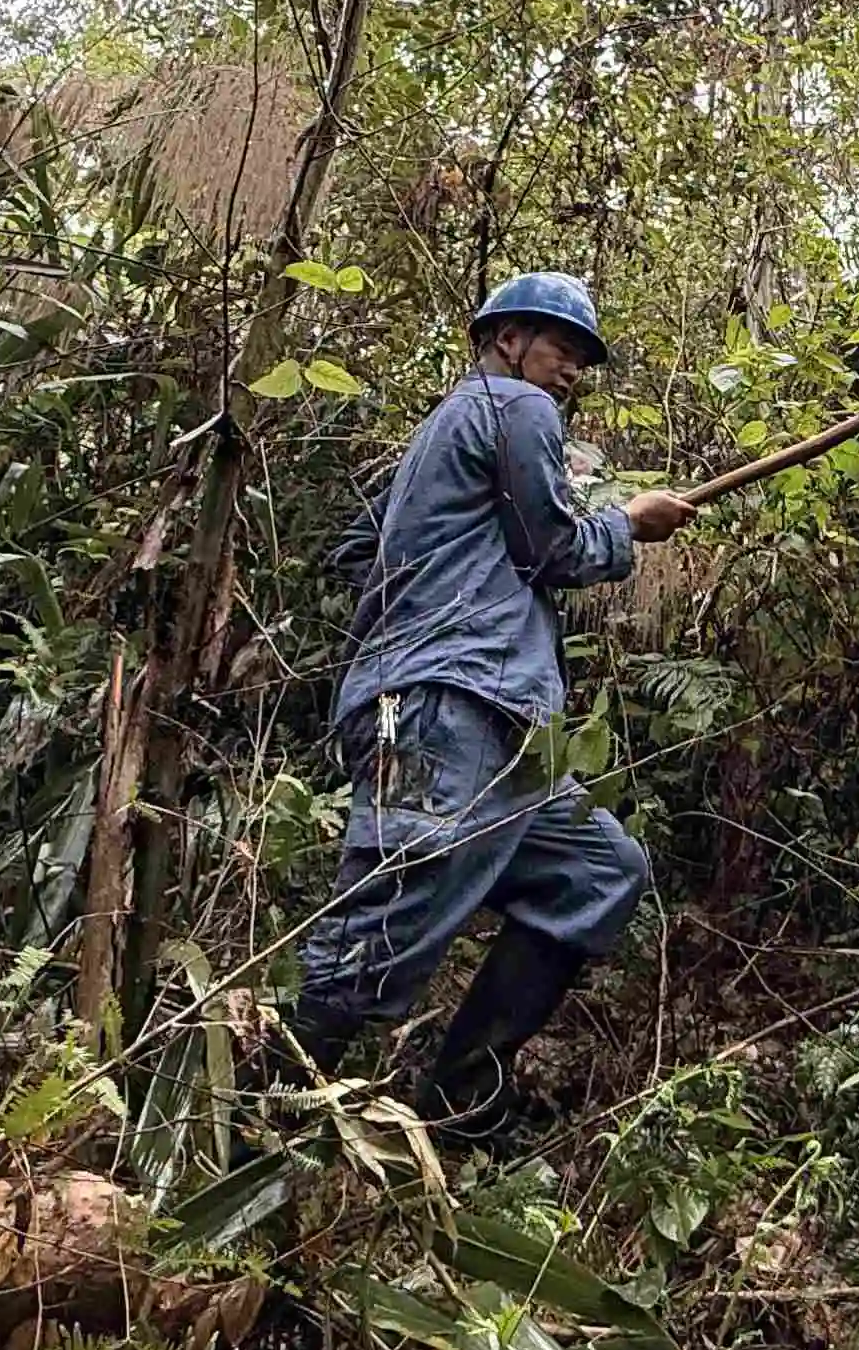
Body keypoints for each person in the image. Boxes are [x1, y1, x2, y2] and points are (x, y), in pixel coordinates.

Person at [292, 273, 696, 1143]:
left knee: (597, 872)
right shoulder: (513, 406)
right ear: (509, 340)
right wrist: (629, 524)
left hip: (491, 725)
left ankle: (456, 1103)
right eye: (562, 351)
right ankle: (261, 1114)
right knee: (389, 906)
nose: (572, 375)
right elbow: (552, 547)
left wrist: (456, 580)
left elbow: (360, 549)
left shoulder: (435, 444)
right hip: (438, 707)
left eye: (584, 363)